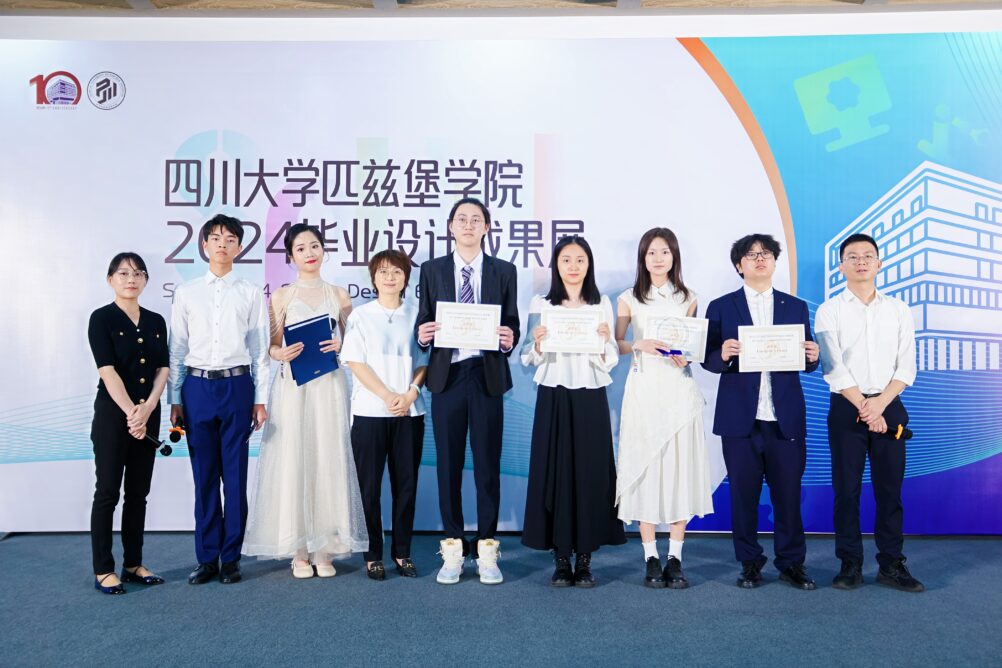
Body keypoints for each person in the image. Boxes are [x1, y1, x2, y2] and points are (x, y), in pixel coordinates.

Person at [243, 223, 368, 577]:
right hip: (292, 388)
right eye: (300, 248)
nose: (309, 253)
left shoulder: (339, 295)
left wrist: (342, 345)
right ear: (290, 256)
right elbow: (269, 346)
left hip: (329, 387)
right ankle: (298, 549)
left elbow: (357, 343)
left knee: (328, 457)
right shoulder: (282, 296)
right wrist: (279, 353)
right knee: (294, 459)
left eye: (314, 246)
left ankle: (325, 547)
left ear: (323, 250)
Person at [702, 234, 820, 590]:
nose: (759, 259)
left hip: (784, 418)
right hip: (741, 419)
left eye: (766, 253)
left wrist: (813, 356)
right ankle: (750, 562)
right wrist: (722, 354)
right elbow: (707, 360)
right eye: (751, 255)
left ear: (774, 262)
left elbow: (806, 359)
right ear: (739, 265)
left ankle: (791, 563)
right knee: (743, 496)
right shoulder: (721, 306)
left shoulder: (794, 306)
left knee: (788, 495)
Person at [415, 197, 520, 585]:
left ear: (487, 227)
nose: (469, 225)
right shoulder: (432, 269)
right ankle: (453, 549)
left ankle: (487, 549)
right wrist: (422, 334)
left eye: (476, 219)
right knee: (448, 466)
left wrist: (509, 338)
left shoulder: (503, 271)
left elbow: (512, 322)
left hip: (487, 375)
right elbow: (424, 320)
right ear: (450, 227)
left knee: (488, 466)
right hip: (448, 376)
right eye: (462, 219)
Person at [815, 233, 922, 593]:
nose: (860, 262)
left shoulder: (899, 309)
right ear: (841, 266)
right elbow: (832, 366)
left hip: (889, 406)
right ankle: (850, 563)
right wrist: (865, 405)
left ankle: (892, 564)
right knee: (846, 491)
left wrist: (880, 405)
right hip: (847, 409)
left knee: (890, 491)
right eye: (852, 257)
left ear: (879, 263)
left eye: (867, 256)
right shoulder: (829, 310)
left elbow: (906, 366)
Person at [168, 214, 270, 585]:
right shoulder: (187, 292)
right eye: (215, 238)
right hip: (196, 388)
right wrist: (174, 398)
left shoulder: (250, 292)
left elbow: (259, 350)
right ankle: (207, 558)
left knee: (235, 476)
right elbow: (177, 348)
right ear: (204, 245)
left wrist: (260, 399)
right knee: (205, 477)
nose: (222, 244)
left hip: (236, 387)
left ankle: (231, 559)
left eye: (230, 239)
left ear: (239, 247)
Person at [521, 236, 626, 587]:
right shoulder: (541, 304)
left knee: (590, 472)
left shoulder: (601, 304)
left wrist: (605, 340)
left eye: (580, 259)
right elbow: (526, 354)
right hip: (553, 393)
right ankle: (560, 558)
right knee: (554, 472)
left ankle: (585, 558)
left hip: (590, 394)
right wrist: (537, 342)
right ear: (556, 265)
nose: (573, 266)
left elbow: (610, 357)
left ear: (589, 264)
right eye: (566, 259)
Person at [615, 228, 714, 590]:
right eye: (651, 252)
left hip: (678, 392)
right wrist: (638, 344)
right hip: (643, 392)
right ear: (642, 258)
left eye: (665, 252)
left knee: (679, 472)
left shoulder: (689, 297)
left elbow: (694, 346)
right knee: (645, 469)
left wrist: (687, 356)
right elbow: (617, 344)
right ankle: (650, 557)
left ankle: (675, 556)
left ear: (675, 257)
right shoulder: (628, 298)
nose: (658, 259)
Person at [341, 250, 429, 581]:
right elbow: (355, 362)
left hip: (410, 412)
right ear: (373, 278)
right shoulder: (361, 316)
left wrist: (410, 394)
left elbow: (425, 361)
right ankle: (373, 554)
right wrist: (387, 396)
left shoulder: (418, 315)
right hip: (369, 413)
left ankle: (402, 552)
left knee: (406, 487)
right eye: (382, 272)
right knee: (369, 489)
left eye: (396, 272)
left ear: (406, 278)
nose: (390, 277)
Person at [88, 253, 169, 594]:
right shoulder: (101, 318)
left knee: (138, 493)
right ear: (111, 279)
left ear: (146, 280)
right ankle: (103, 569)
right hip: (112, 415)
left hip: (148, 414)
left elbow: (163, 368)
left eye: (138, 273)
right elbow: (107, 371)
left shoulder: (155, 321)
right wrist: (131, 414)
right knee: (108, 491)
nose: (131, 279)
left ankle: (133, 564)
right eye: (123, 273)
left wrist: (147, 409)